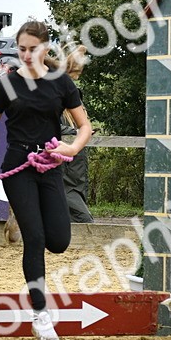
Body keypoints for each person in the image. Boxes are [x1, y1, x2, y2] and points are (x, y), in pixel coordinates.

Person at [0, 21, 93, 340]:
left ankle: (27, 217)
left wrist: (71, 148)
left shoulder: (60, 83)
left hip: (50, 166)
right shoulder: (7, 84)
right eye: (22, 49)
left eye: (33, 49)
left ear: (46, 49)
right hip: (17, 166)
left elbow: (84, 126)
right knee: (35, 238)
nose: (27, 54)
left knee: (58, 240)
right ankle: (41, 314)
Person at [59, 47, 93, 223]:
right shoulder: (58, 94)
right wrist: (75, 133)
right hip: (66, 174)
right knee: (85, 220)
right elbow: (52, 125)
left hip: (76, 174)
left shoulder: (74, 94)